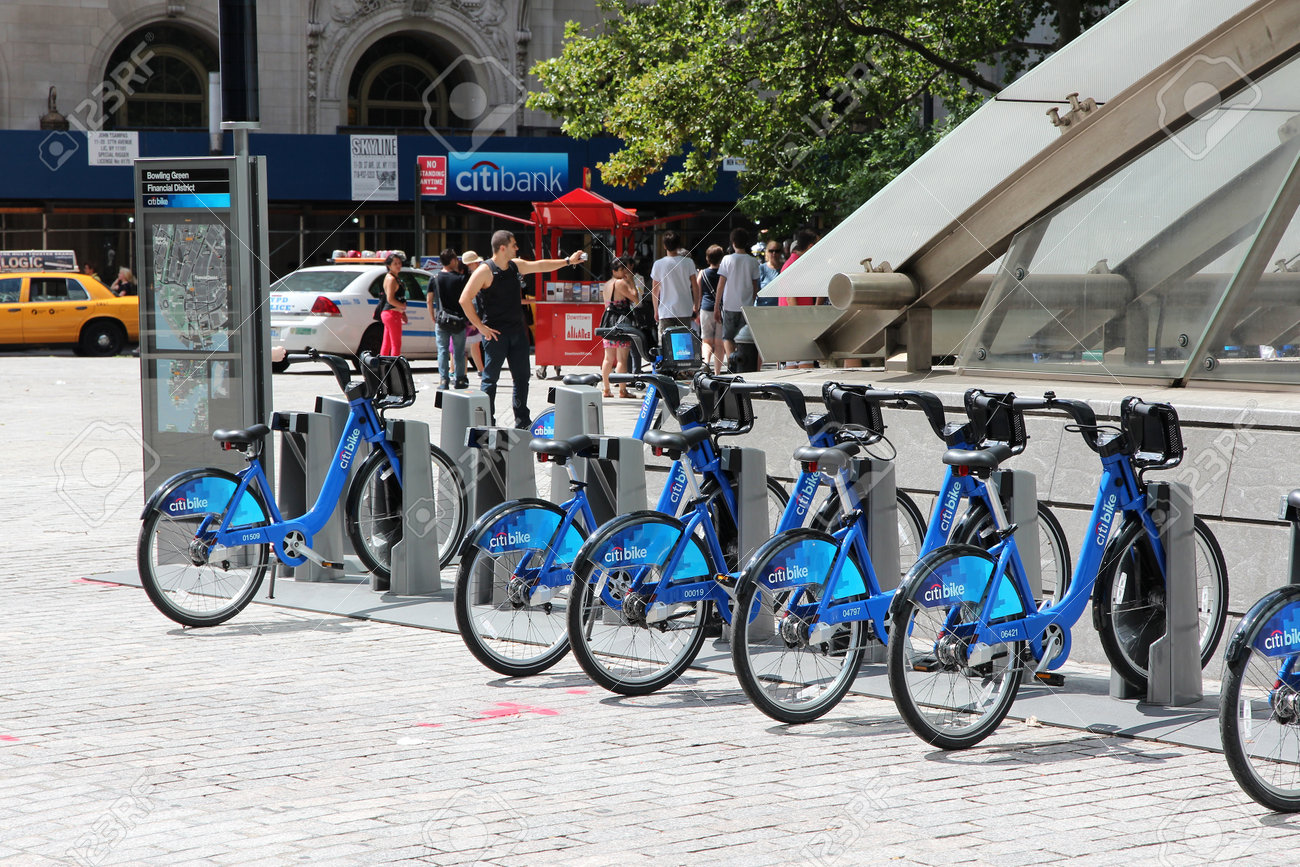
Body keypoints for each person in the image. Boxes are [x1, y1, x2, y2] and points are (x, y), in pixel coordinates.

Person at [460, 230, 584, 428]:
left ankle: (522, 420)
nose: (517, 248)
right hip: (495, 334)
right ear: (503, 248)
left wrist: (568, 261)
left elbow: (540, 265)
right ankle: (486, 421)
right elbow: (464, 299)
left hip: (517, 333)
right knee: (490, 380)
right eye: (514, 245)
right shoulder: (485, 271)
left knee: (522, 378)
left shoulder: (514, 266)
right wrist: (481, 328)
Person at [713, 227, 760, 362]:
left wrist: (716, 306)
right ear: (746, 243)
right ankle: (740, 363)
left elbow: (721, 284)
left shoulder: (727, 260)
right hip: (746, 306)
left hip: (729, 305)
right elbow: (755, 285)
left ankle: (731, 361)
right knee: (743, 339)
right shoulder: (753, 261)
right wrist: (752, 300)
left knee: (727, 337)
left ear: (733, 242)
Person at [600, 258, 639, 399]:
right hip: (621, 321)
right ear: (614, 271)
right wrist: (632, 282)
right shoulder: (621, 283)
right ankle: (623, 390)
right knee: (622, 358)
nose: (625, 272)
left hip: (608, 321)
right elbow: (636, 298)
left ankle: (606, 389)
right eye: (622, 269)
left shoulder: (607, 284)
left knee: (608, 358)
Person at [649, 231, 699, 342]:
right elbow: (695, 287)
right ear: (678, 245)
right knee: (684, 343)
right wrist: (696, 305)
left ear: (664, 246)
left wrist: (656, 310)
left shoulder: (658, 264)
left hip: (665, 311)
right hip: (685, 309)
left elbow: (655, 290)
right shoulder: (688, 262)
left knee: (666, 344)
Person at [433, 248, 469, 389]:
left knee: (442, 350)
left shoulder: (435, 278)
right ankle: (460, 379)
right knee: (458, 351)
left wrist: (433, 316)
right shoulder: (460, 279)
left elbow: (430, 299)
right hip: (458, 320)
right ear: (453, 260)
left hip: (442, 319)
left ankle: (443, 380)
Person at [697, 245, 725, 374]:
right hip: (721, 309)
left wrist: (696, 310)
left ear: (707, 258)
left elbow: (698, 291)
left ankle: (706, 364)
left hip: (705, 309)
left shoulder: (702, 273)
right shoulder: (724, 274)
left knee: (706, 341)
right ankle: (717, 373)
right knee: (719, 343)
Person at [376, 253, 407, 356]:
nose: (398, 265)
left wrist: (403, 313)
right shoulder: (391, 279)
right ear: (389, 265)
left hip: (392, 313)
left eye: (399, 263)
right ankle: (394, 369)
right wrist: (402, 306)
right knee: (396, 344)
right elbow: (390, 299)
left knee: (387, 343)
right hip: (391, 314)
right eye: (395, 263)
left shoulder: (394, 277)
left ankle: (383, 369)